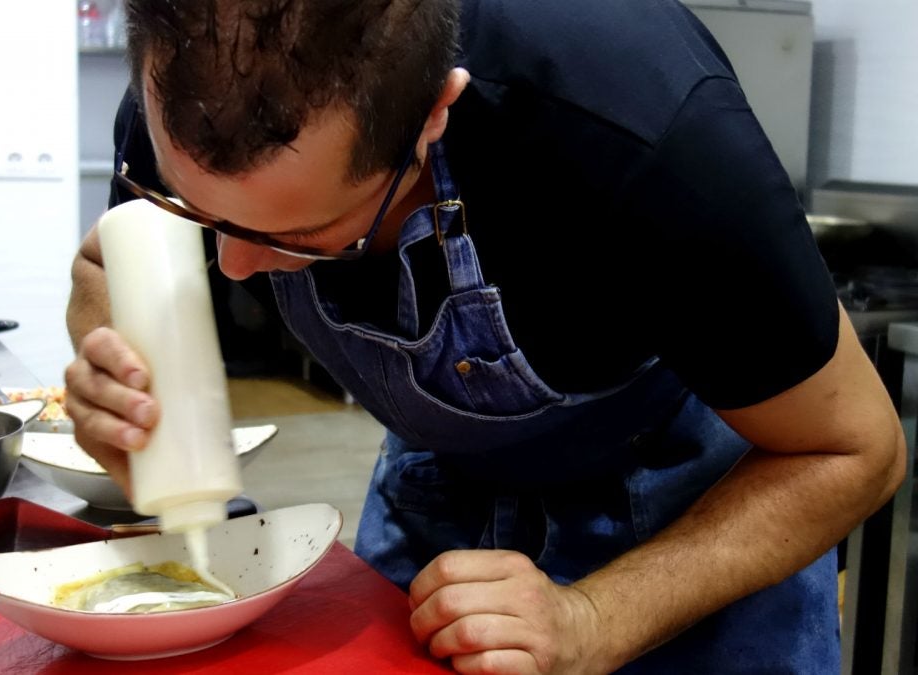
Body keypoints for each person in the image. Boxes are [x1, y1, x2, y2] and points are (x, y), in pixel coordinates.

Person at [64, 0, 906, 672]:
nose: (236, 267)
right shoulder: (195, 70)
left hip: (693, 510)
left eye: (302, 238)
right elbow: (109, 260)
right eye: (199, 211)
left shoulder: (636, 124)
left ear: (437, 114)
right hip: (444, 492)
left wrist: (593, 617)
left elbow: (853, 451)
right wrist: (122, 381)